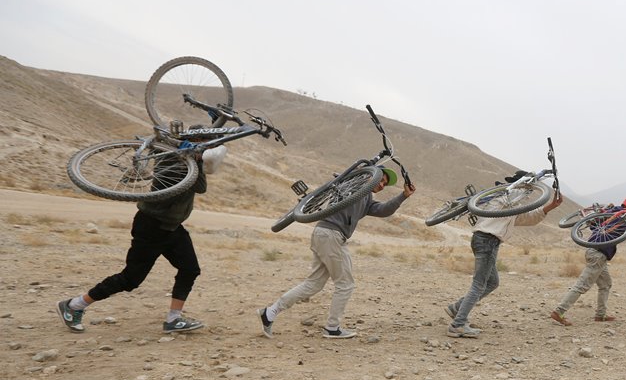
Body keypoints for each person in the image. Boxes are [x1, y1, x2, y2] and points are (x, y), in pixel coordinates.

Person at [56, 146, 228, 334]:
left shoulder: (192, 161)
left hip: (172, 227)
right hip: (151, 225)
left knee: (190, 269)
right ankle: (74, 305)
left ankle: (173, 319)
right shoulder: (169, 157)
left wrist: (198, 161)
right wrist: (194, 161)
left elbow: (201, 187)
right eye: (205, 144)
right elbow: (193, 185)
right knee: (130, 279)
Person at [259, 168, 415, 338]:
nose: (383, 184)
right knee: (345, 284)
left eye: (385, 183)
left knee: (313, 284)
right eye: (381, 180)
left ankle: (269, 313)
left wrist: (403, 196)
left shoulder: (366, 198)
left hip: (323, 234)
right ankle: (332, 328)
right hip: (331, 235)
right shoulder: (355, 188)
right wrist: (357, 174)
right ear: (371, 177)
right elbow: (341, 185)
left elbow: (384, 210)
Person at [445, 170, 562, 338]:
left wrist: (551, 206)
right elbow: (515, 200)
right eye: (526, 188)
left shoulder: (509, 206)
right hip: (487, 241)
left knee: (492, 282)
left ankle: (457, 308)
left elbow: (528, 218)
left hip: (485, 241)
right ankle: (457, 325)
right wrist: (525, 186)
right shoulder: (505, 197)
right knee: (478, 285)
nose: (528, 192)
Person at [550, 197, 626, 325]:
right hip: (598, 255)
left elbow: (594, 227)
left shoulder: (611, 213)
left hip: (595, 253)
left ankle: (600, 315)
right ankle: (559, 311)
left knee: (605, 284)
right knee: (582, 285)